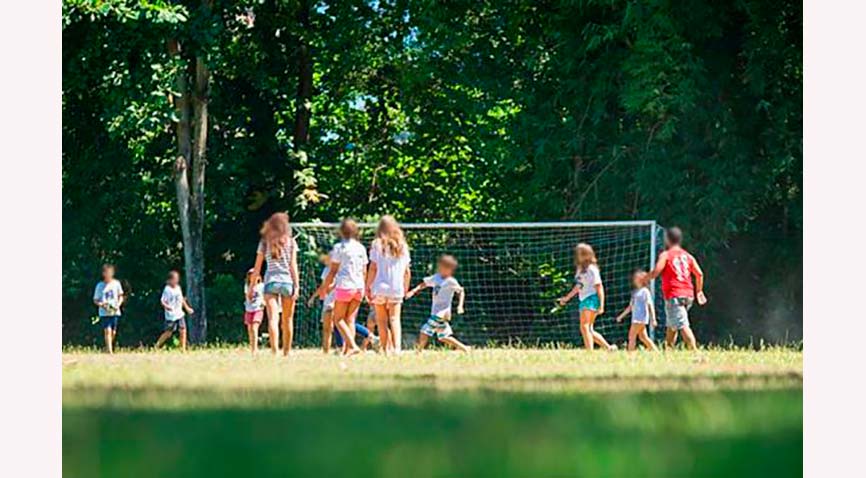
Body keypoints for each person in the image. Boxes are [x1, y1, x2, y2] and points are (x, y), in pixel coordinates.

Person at [647, 227, 706, 350]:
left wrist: (644, 279)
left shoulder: (666, 255)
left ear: (667, 240)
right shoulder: (688, 256)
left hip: (674, 294)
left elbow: (657, 271)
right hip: (688, 295)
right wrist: (699, 291)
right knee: (672, 325)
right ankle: (668, 350)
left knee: (682, 325)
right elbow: (699, 274)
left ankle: (695, 352)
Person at [250, 212, 300, 356]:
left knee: (273, 318)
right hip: (287, 282)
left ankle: (274, 351)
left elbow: (257, 267)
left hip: (271, 281)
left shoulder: (264, 242)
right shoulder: (291, 242)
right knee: (288, 319)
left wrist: (252, 287)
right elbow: (293, 266)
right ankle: (287, 351)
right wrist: (296, 286)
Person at [319, 219, 368, 356]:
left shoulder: (339, 247)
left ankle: (352, 346)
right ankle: (347, 351)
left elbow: (333, 271)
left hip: (344, 286)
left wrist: (325, 287)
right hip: (359, 287)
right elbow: (364, 270)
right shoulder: (361, 248)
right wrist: (364, 287)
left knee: (338, 319)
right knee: (350, 320)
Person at [366, 215, 411, 354]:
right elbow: (407, 271)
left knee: (381, 320)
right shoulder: (403, 246)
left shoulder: (376, 244)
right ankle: (397, 349)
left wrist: (368, 286)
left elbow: (372, 268)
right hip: (396, 287)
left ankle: (385, 349)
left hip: (379, 287)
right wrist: (405, 288)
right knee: (395, 318)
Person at [406, 255, 470, 352]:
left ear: (450, 269)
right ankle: (464, 348)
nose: (441, 268)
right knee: (443, 337)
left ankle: (418, 351)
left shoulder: (451, 281)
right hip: (435, 311)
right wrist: (413, 291)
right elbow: (424, 284)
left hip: (442, 313)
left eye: (445, 267)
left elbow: (461, 291)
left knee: (424, 330)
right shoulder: (436, 277)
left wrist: (460, 306)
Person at [558, 243, 615, 351]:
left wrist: (601, 305)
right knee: (589, 329)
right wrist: (567, 298)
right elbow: (579, 286)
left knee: (584, 326)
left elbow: (599, 287)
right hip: (583, 299)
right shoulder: (580, 269)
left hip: (591, 298)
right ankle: (609, 348)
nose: (578, 256)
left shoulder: (592, 269)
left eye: (580, 253)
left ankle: (589, 351)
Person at [615, 270, 658, 351]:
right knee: (643, 337)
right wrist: (621, 316)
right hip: (636, 318)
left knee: (632, 336)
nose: (634, 279)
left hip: (640, 318)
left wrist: (653, 318)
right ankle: (655, 351)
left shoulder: (645, 291)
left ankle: (630, 353)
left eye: (637, 278)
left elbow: (650, 305)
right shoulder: (635, 292)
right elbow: (630, 307)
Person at [156, 270, 194, 351]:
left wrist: (187, 308)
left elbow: (181, 299)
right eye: (174, 279)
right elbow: (162, 301)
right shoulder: (167, 290)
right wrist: (167, 307)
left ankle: (182, 349)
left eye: (177, 279)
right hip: (171, 315)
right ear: (169, 280)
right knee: (168, 333)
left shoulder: (178, 288)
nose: (176, 280)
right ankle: (157, 345)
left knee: (183, 330)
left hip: (179, 314)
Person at [92, 264, 124, 354]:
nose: (109, 274)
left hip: (115, 312)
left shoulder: (116, 284)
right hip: (104, 312)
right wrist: (102, 305)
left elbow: (120, 296)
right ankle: (110, 352)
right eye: (107, 272)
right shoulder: (99, 285)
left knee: (113, 332)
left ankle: (107, 347)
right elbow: (95, 300)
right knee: (107, 331)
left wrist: (118, 305)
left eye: (110, 272)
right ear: (103, 273)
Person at [243, 269, 265, 353]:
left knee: (254, 328)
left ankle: (255, 349)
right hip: (249, 309)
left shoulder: (262, 286)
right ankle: (251, 346)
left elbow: (266, 296)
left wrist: (264, 302)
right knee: (249, 329)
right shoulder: (247, 286)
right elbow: (248, 297)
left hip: (258, 309)